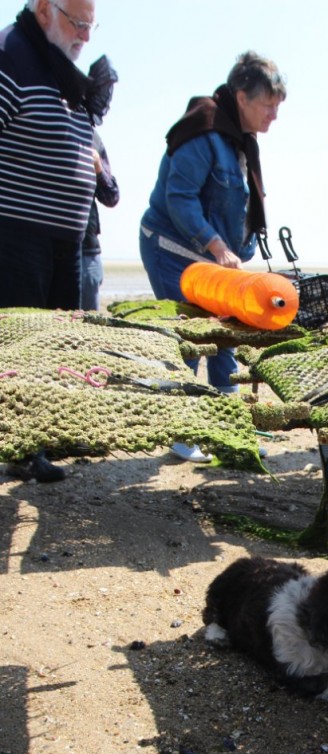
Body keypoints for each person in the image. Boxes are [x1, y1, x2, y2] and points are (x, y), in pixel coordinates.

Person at [140, 51, 285, 463]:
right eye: (268, 104)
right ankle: (181, 433)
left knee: (226, 337)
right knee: (193, 337)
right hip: (172, 248)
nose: (274, 113)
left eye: (278, 105)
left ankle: (229, 430)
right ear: (242, 97)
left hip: (213, 260)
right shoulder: (203, 131)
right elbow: (179, 199)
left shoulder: (242, 143)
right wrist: (219, 247)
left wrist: (241, 254)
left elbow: (240, 210)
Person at [0, 0, 102, 482]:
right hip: (17, 232)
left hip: (67, 239)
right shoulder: (12, 53)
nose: (84, 35)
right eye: (76, 22)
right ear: (44, 9)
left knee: (52, 349)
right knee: (18, 347)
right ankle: (18, 447)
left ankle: (35, 442)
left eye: (90, 26)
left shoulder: (62, 72)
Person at [81, 55, 119, 311]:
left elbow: (112, 196)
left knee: (88, 332)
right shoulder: (57, 119)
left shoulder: (94, 138)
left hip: (88, 250)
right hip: (48, 249)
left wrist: (98, 170)